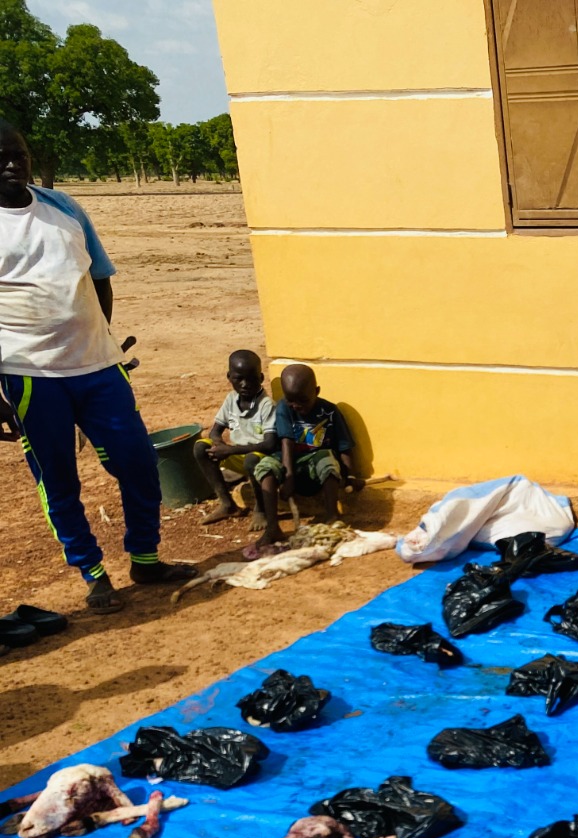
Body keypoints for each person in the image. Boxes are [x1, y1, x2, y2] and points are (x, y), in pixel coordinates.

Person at [0, 120, 195, 612]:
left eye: (19, 153)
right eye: (1, 157)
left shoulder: (64, 207)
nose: (13, 164)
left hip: (100, 368)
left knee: (138, 462)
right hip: (31, 376)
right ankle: (93, 574)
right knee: (58, 480)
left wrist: (102, 337)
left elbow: (100, 276)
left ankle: (145, 559)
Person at [253, 363, 361, 548]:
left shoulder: (330, 411)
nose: (296, 406)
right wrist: (288, 477)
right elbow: (286, 442)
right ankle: (272, 527)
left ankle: (332, 516)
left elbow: (344, 446)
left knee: (327, 459)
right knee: (266, 468)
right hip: (289, 460)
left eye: (303, 400)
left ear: (316, 391)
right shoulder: (283, 407)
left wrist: (350, 476)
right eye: (291, 400)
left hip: (315, 461)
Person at [194, 349, 278, 529]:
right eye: (239, 379)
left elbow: (270, 444)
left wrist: (230, 450)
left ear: (261, 378)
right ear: (229, 377)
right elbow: (215, 432)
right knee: (201, 447)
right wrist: (219, 445)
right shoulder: (231, 399)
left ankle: (261, 509)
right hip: (236, 454)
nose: (245, 384)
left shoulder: (266, 405)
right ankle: (227, 504)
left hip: (260, 457)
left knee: (251, 460)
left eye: (251, 379)